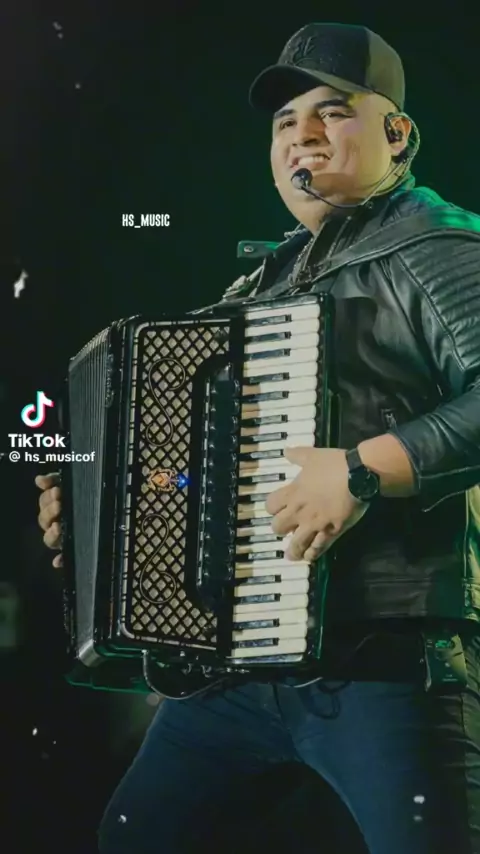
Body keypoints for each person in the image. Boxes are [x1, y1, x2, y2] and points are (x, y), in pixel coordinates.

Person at [36, 22, 480, 854]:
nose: (302, 134)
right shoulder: (260, 287)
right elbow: (198, 473)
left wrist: (362, 470)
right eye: (284, 122)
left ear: (397, 134)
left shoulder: (439, 247)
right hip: (241, 671)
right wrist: (102, 517)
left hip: (389, 664)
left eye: (332, 111)